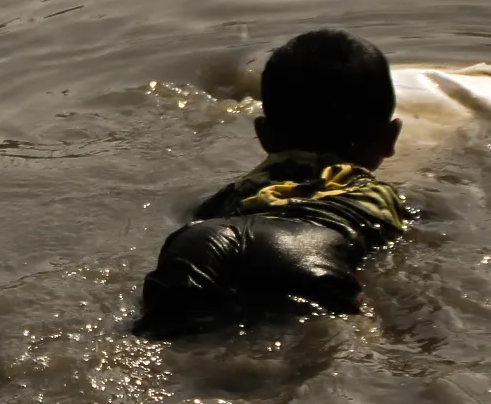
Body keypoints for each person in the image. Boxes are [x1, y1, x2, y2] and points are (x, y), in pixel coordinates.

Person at [135, 29, 410, 336]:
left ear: (264, 135)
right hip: (311, 248)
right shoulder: (380, 199)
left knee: (168, 338)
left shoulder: (230, 195)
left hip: (202, 240)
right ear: (390, 138)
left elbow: (204, 218)